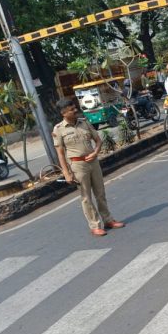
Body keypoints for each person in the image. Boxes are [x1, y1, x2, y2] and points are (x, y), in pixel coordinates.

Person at [53, 98, 125, 236]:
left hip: (93, 162)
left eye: (75, 108)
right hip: (77, 165)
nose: (75, 111)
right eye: (71, 109)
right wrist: (66, 173)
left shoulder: (84, 122)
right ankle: (95, 225)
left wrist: (96, 152)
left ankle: (108, 220)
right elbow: (60, 154)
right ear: (63, 113)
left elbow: (97, 140)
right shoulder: (59, 129)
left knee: (100, 193)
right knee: (86, 197)